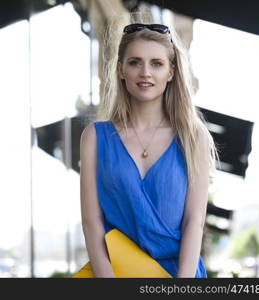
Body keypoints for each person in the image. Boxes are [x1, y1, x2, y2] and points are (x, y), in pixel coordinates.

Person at [80, 20, 219, 278]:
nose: (145, 72)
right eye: (135, 62)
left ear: (171, 72)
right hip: (114, 273)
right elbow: (91, 222)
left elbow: (194, 222)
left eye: (157, 63)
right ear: (121, 70)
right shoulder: (95, 137)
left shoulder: (193, 136)